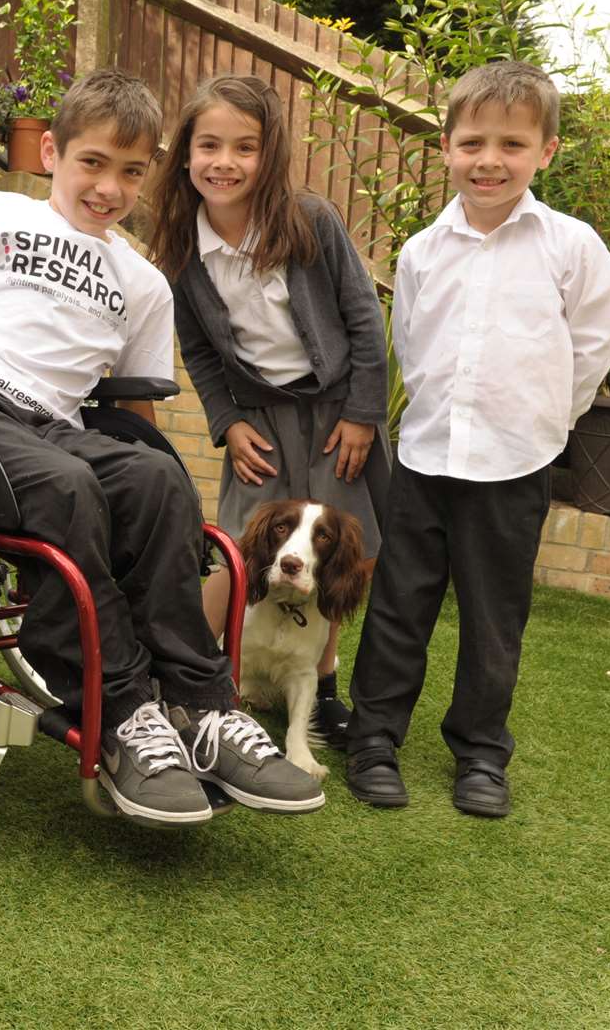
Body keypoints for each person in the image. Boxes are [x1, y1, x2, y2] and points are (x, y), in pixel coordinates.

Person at [0, 68, 324, 826]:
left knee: (159, 481)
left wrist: (150, 489)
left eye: (130, 172)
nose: (108, 187)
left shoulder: (142, 281)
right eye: (91, 163)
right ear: (50, 154)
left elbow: (135, 410)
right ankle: (126, 713)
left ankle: (200, 705)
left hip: (57, 428)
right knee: (68, 485)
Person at [343, 60, 610, 818]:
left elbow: (590, 350)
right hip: (425, 456)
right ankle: (372, 740)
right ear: (446, 147)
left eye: (510, 144)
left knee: (495, 617)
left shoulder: (571, 248)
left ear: (545, 152)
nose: (488, 160)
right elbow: (413, 343)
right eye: (471, 143)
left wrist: (544, 426)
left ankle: (480, 754)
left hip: (515, 461)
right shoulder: (423, 252)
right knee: (399, 605)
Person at [148, 75, 391, 753]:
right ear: (186, 154)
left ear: (269, 154)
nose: (224, 162)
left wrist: (363, 415)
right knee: (235, 546)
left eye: (244, 147)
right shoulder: (179, 245)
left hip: (336, 413)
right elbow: (195, 348)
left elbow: (364, 322)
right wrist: (226, 420)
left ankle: (323, 681)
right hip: (258, 420)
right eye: (208, 145)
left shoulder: (310, 220)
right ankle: (191, 675)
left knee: (338, 550)